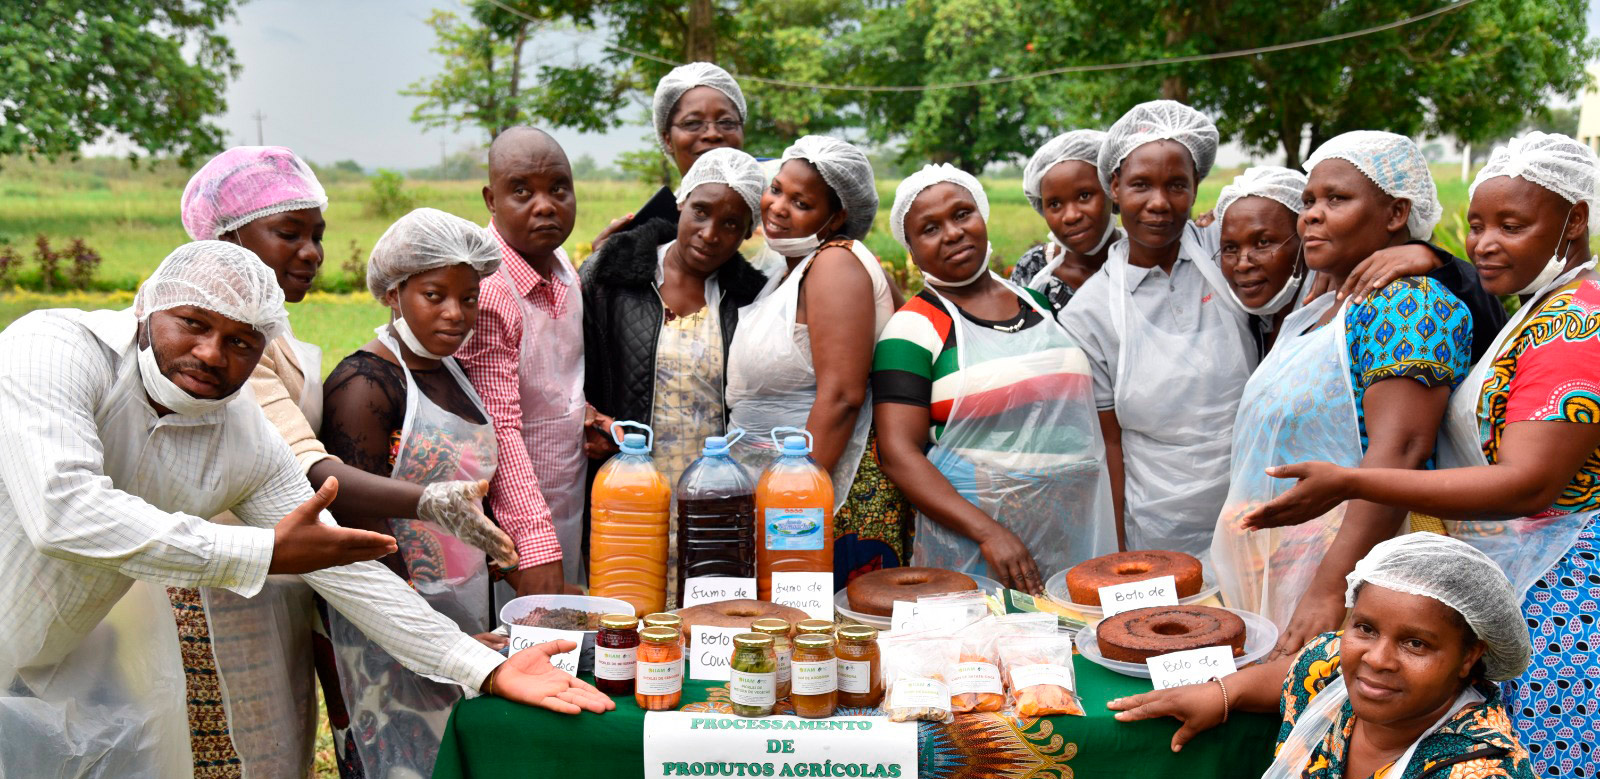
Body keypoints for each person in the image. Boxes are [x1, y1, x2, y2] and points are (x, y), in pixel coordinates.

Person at [0, 242, 612, 778]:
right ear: (146, 308)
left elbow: (341, 566)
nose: (213, 354)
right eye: (192, 323)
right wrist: (261, 552)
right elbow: (65, 513)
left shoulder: (240, 433)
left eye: (241, 342)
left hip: (63, 644)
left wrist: (484, 668)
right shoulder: (54, 349)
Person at [1240, 132, 1600, 778]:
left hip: (1563, 601)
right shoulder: (1536, 310)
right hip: (1513, 585)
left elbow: (1527, 483)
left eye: (1511, 225)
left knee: (1546, 755)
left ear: (1574, 219)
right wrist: (1437, 261)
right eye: (1478, 225)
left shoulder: (1580, 322)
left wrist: (1352, 479)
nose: (1485, 243)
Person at [173, 146, 516, 777]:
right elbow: (308, 467)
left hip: (287, 576)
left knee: (283, 747)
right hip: (225, 582)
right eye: (289, 233)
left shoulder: (271, 339)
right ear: (225, 237)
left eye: (317, 236)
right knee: (239, 752)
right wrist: (427, 501)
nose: (311, 253)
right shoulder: (225, 343)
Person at [1213, 131, 1475, 657]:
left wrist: (1331, 587)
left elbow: (1398, 453)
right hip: (1291, 562)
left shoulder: (1409, 302)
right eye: (1308, 201)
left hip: (1356, 570)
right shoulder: (1326, 303)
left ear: (1396, 212)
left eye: (1337, 199)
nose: (1311, 215)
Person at [318, 208, 511, 776]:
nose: (456, 314)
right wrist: (427, 631)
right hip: (391, 620)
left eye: (469, 298)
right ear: (393, 294)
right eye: (435, 295)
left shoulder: (453, 372)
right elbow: (357, 525)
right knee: (399, 760)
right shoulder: (364, 385)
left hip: (463, 604)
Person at [872, 165, 1115, 593]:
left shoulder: (1039, 306)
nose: (952, 233)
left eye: (962, 214)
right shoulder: (912, 329)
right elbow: (896, 452)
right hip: (978, 546)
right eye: (930, 228)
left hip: (1075, 532)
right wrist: (989, 533)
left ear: (982, 217)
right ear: (911, 250)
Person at [1111, 534, 1535, 778]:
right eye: (1366, 628)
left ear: (1468, 657)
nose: (1378, 658)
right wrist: (1225, 692)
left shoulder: (1475, 771)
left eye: (1416, 644)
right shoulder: (1336, 664)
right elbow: (1303, 667)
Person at [1057, 99, 1252, 560]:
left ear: (1197, 187)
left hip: (1251, 509)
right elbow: (1108, 442)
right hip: (1156, 526)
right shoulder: (1090, 314)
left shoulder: (1231, 260)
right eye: (1141, 185)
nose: (1160, 203)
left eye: (1176, 185)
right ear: (1114, 188)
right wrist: (1120, 549)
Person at [581, 148, 770, 605]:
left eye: (730, 225)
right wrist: (585, 416)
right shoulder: (613, 274)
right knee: (628, 610)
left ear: (747, 233)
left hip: (713, 499)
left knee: (705, 619)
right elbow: (564, 365)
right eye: (701, 212)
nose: (710, 234)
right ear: (681, 202)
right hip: (628, 492)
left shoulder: (749, 299)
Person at [727, 135, 907, 586]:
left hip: (830, 497)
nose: (778, 206)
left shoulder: (834, 266)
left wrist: (790, 505)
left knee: (824, 640)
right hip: (792, 488)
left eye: (801, 202)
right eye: (777, 188)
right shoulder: (787, 271)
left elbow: (842, 396)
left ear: (836, 217)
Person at [457, 126, 594, 594]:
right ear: (490, 200)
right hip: (509, 523)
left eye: (559, 188)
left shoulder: (559, 266)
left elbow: (555, 381)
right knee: (519, 641)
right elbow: (496, 429)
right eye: (522, 191)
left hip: (564, 496)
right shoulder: (488, 289)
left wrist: (586, 415)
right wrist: (533, 545)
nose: (545, 205)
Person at [592, 62, 749, 253]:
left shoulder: (777, 207)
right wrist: (600, 267)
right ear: (667, 139)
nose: (712, 133)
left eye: (726, 121)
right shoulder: (652, 234)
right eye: (692, 123)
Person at [1012, 129, 1121, 309]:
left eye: (1084, 195)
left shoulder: (1143, 259)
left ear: (1111, 189)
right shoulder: (1033, 267)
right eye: (1055, 204)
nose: (1071, 216)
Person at [1212, 165, 1309, 357]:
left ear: (1305, 240)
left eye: (1263, 243)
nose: (1242, 264)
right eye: (1230, 248)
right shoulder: (1244, 326)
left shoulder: (1341, 321)